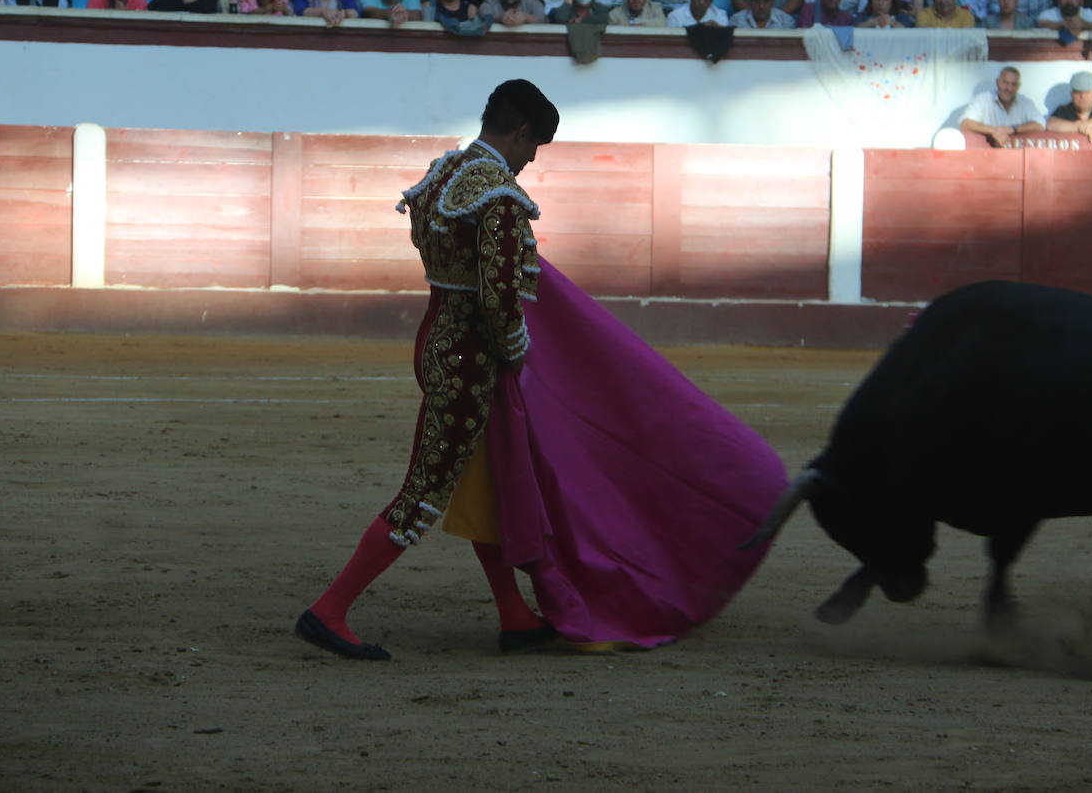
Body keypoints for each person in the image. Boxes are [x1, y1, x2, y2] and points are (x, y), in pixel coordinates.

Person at [294, 80, 785, 661]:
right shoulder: (497, 197)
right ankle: (330, 610)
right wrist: (526, 355)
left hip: (438, 341)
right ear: (520, 131)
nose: (531, 160)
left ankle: (514, 615)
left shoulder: (439, 177)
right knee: (423, 492)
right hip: (475, 357)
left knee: (488, 482)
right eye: (535, 147)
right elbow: (502, 300)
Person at [959, 65, 1046, 145]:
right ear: (997, 82)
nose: (1009, 88)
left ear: (1018, 86)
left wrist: (1013, 129)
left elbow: (1040, 124)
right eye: (1005, 82)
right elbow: (965, 124)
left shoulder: (1025, 102)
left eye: (1013, 84)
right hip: (987, 151)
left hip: (1016, 153)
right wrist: (994, 130)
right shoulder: (983, 99)